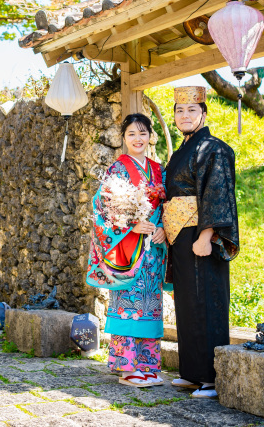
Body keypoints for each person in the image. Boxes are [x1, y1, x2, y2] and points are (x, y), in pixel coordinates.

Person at [162, 86, 239, 399]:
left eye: (192, 110)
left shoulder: (213, 148)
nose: (185, 115)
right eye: (180, 110)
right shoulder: (184, 150)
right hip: (180, 234)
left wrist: (208, 234)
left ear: (204, 114)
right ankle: (192, 373)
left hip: (200, 234)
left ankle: (211, 377)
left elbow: (217, 192)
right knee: (188, 303)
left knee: (206, 301)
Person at [89, 113, 169, 388]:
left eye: (143, 133)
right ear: (123, 138)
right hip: (129, 250)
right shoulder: (117, 170)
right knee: (128, 306)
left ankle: (147, 364)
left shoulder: (159, 170)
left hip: (154, 250)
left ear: (151, 137)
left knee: (151, 306)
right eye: (132, 134)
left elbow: (167, 207)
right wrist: (131, 227)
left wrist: (163, 230)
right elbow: (103, 208)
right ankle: (126, 366)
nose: (138, 139)